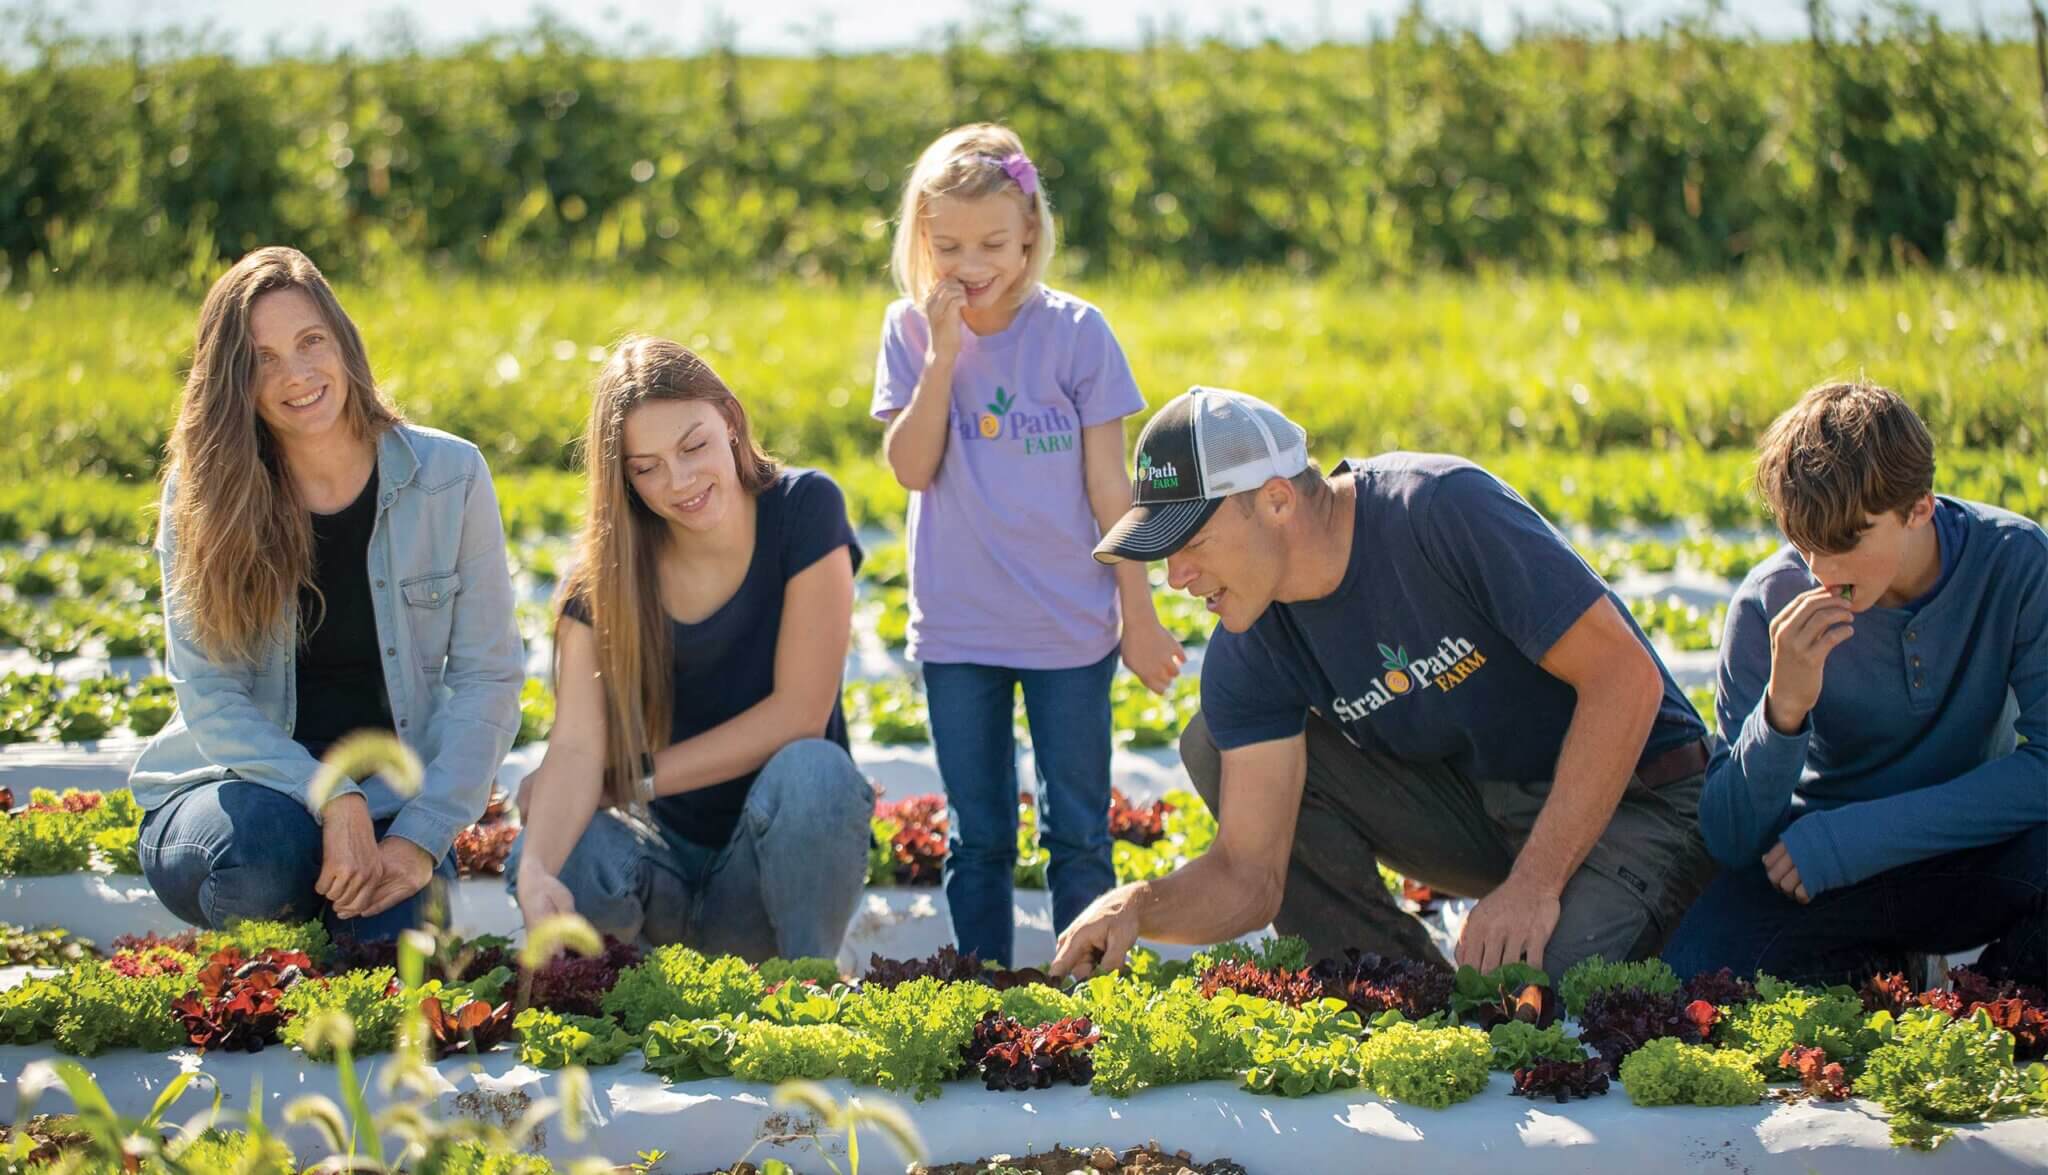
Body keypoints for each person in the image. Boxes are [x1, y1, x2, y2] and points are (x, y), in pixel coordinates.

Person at [1050, 386, 1718, 979]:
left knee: (1546, 999)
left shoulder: (1439, 511)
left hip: (1641, 795)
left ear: (1276, 499)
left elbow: (1625, 680)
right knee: (1210, 744)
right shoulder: (1250, 646)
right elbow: (1248, 877)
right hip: (1494, 814)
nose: (1175, 578)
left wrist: (1534, 884)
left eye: (1190, 543)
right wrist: (1135, 905)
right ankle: (1404, 985)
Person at [129, 246, 524, 939]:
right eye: (264, 358)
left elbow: (488, 678)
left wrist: (418, 837)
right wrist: (332, 793)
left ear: (343, 341)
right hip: (237, 794)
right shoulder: (200, 497)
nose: (298, 373)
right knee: (262, 857)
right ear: (235, 381)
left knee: (399, 952)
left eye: (311, 341)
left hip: (390, 808)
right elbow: (210, 696)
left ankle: (330, 924)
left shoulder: (452, 476)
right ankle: (289, 934)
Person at [871, 122, 1186, 967]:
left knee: (1079, 828)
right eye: (947, 246)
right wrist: (942, 359)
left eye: (993, 244)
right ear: (920, 241)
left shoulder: (1078, 333)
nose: (970, 265)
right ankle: (985, 995)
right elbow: (910, 466)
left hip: (1069, 628)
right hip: (961, 631)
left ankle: (1084, 989)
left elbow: (1110, 488)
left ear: (1032, 236)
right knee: (977, 835)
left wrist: (1140, 616)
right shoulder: (910, 331)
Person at [1662, 380, 2046, 984]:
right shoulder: (1768, 602)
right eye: (1802, 540)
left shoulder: (2017, 562)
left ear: (1918, 507)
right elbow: (1732, 839)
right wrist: (1780, 711)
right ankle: (1887, 969)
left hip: (1969, 853)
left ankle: (1985, 994)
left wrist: (1854, 839)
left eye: (1846, 540)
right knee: (1693, 976)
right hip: (1818, 877)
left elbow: (2045, 767)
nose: (1821, 570)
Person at [510, 336, 871, 962]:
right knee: (546, 830)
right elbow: (573, 746)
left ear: (729, 420)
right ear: (622, 477)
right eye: (646, 467)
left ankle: (807, 983)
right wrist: (535, 864)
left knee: (817, 772)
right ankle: (623, 983)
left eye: (693, 445)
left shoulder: (805, 509)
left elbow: (800, 714)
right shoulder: (601, 578)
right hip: (656, 883)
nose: (679, 481)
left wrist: (631, 779)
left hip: (764, 884)